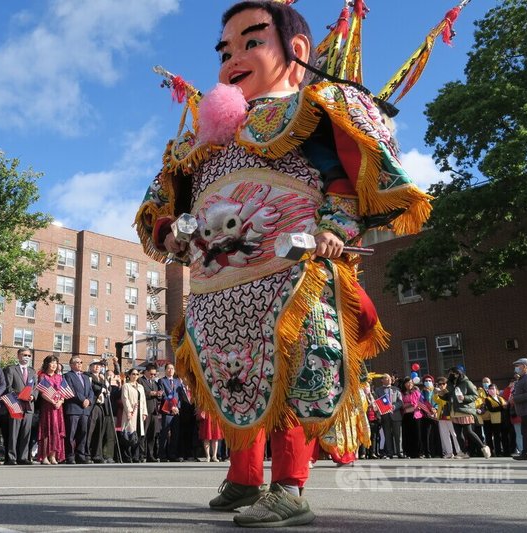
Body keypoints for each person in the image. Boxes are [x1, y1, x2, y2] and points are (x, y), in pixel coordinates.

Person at [134, 1, 432, 526]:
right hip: (218, 283)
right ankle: (245, 477)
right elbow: (167, 209)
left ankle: (290, 486)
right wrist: (173, 236)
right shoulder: (200, 139)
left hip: (291, 273)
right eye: (227, 50)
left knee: (291, 372)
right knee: (232, 373)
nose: (234, 59)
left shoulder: (311, 109)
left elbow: (341, 181)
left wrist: (334, 231)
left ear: (295, 50)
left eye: (252, 43)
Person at [444, 367, 491, 459]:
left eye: (453, 373)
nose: (452, 375)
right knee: (458, 433)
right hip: (454, 410)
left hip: (464, 410)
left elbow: (475, 395)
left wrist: (464, 398)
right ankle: (464, 452)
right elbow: (448, 397)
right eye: (450, 373)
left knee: (468, 431)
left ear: (458, 373)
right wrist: (441, 394)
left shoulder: (466, 382)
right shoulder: (449, 384)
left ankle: (484, 447)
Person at [4, 348, 37, 465]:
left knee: (26, 433)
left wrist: (32, 396)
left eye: (28, 355)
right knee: (14, 432)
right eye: (24, 355)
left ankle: (23, 457)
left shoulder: (32, 371)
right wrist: (20, 395)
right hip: (16, 404)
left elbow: (35, 388)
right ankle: (11, 457)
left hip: (29, 406)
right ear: (18, 356)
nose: (26, 357)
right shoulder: (11, 369)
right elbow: (8, 387)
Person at [63, 355, 94, 464]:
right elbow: (70, 390)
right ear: (71, 365)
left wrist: (89, 400)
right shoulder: (67, 376)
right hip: (73, 409)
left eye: (81, 362)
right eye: (77, 362)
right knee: (71, 433)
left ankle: (80, 455)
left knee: (83, 433)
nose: (80, 364)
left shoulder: (85, 377)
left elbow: (91, 391)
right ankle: (70, 456)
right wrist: (83, 400)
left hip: (85, 410)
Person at [36, 355, 66, 465]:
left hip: (58, 408)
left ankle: (53, 456)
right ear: (47, 364)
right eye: (51, 363)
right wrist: (52, 401)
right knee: (47, 431)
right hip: (48, 407)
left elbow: (63, 392)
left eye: (55, 363)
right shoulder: (43, 376)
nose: (54, 365)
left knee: (56, 431)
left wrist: (60, 401)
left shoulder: (59, 377)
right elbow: (42, 392)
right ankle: (44, 456)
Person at [119, 368, 148, 463]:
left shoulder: (140, 387)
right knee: (129, 434)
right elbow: (125, 398)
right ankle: (127, 456)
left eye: (137, 374)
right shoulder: (126, 386)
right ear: (129, 375)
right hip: (131, 412)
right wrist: (129, 411)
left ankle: (136, 456)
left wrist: (144, 412)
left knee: (138, 435)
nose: (135, 376)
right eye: (133, 374)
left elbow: (143, 400)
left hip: (139, 413)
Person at [158, 363, 185, 462]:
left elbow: (180, 396)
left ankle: (172, 454)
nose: (170, 370)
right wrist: (172, 407)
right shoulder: (162, 381)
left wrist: (177, 407)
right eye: (168, 368)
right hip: (167, 410)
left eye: (172, 368)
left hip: (176, 411)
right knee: (165, 433)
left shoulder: (178, 381)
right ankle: (162, 455)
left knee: (175, 434)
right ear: (165, 370)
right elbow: (164, 396)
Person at [433, 377, 463, 459]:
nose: (441, 385)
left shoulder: (449, 391)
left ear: (446, 384)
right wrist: (436, 393)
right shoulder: (439, 392)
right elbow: (436, 401)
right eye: (439, 384)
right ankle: (449, 452)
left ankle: (459, 451)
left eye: (443, 384)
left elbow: (448, 400)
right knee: (445, 435)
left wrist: (441, 392)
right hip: (442, 415)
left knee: (454, 434)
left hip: (450, 415)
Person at [375, 375, 403, 459]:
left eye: (390, 378)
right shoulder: (378, 390)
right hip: (385, 416)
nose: (390, 379)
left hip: (396, 415)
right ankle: (389, 453)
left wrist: (394, 407)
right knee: (387, 435)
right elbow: (376, 402)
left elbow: (400, 402)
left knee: (398, 435)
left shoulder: (396, 389)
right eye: (387, 378)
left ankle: (399, 452)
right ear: (382, 380)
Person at [85, 359, 108, 463]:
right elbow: (92, 388)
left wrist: (105, 384)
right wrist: (101, 388)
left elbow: (108, 390)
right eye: (95, 365)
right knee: (90, 430)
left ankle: (97, 454)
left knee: (99, 430)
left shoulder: (102, 377)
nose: (97, 367)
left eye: (99, 365)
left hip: (101, 405)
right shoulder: (88, 376)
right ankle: (87, 453)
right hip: (92, 405)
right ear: (90, 367)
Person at [138, 363, 162, 462]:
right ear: (146, 372)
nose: (153, 376)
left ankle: (150, 455)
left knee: (152, 434)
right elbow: (140, 393)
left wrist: (159, 394)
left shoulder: (155, 383)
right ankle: (140, 455)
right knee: (143, 433)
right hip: (145, 410)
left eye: (154, 374)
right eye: (151, 374)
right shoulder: (140, 380)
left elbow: (158, 396)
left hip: (154, 411)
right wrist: (150, 393)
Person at [400, 378, 423, 458]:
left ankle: (418, 452)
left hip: (416, 415)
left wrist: (418, 406)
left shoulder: (416, 392)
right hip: (407, 416)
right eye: (407, 383)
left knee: (417, 434)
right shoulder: (402, 393)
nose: (409, 384)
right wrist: (411, 404)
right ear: (404, 384)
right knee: (408, 434)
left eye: (410, 382)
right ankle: (409, 452)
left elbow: (421, 402)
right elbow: (402, 405)